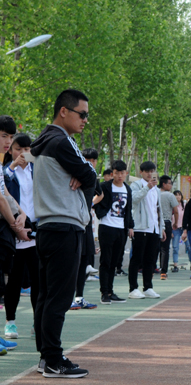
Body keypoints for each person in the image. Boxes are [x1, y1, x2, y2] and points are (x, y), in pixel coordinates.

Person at [31, 89, 97, 378]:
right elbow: (91, 176)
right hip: (63, 227)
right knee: (58, 298)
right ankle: (53, 360)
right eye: (82, 114)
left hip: (48, 227)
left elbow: (87, 176)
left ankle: (47, 357)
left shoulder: (46, 141)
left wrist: (83, 175)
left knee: (46, 297)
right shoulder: (61, 141)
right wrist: (84, 175)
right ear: (63, 111)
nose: (85, 120)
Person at [3, 134, 38, 340]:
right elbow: (4, 191)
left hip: (35, 231)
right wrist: (13, 165)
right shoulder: (6, 170)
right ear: (10, 150)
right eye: (18, 149)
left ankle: (37, 321)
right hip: (14, 229)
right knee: (14, 281)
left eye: (27, 149)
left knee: (38, 280)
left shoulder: (37, 170)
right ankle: (10, 322)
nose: (23, 153)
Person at [94, 160, 133, 305]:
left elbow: (128, 210)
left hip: (121, 229)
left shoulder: (127, 189)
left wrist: (130, 226)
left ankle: (110, 292)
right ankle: (104, 293)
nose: (120, 176)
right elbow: (94, 200)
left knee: (115, 262)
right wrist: (100, 213)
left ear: (126, 173)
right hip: (106, 227)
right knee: (105, 261)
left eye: (122, 173)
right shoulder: (104, 186)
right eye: (117, 173)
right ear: (112, 174)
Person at [69, 148, 103, 311]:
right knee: (71, 261)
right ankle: (68, 298)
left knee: (84, 260)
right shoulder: (74, 174)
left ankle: (79, 297)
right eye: (87, 160)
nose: (91, 163)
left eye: (93, 160)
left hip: (86, 222)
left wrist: (90, 204)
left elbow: (100, 195)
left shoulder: (93, 176)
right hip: (72, 221)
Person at [128, 161, 166, 299]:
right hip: (140, 228)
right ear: (141, 172)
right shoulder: (136, 185)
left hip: (154, 228)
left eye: (152, 171)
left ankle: (148, 287)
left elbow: (158, 209)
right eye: (147, 171)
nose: (150, 174)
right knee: (137, 259)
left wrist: (161, 227)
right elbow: (133, 200)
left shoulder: (157, 190)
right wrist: (147, 188)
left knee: (150, 260)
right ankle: (133, 288)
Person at [158, 175, 179, 279]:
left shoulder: (154, 193)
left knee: (154, 248)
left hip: (154, 223)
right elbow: (176, 211)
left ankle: (151, 269)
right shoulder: (170, 195)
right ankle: (163, 271)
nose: (171, 186)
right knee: (165, 248)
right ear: (164, 184)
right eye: (170, 183)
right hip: (166, 222)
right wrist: (175, 223)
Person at [171, 190, 185, 272]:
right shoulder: (171, 205)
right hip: (175, 229)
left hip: (183, 229)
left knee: (189, 246)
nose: (178, 196)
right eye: (176, 195)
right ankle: (175, 265)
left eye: (179, 195)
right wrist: (170, 230)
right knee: (175, 247)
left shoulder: (184, 205)